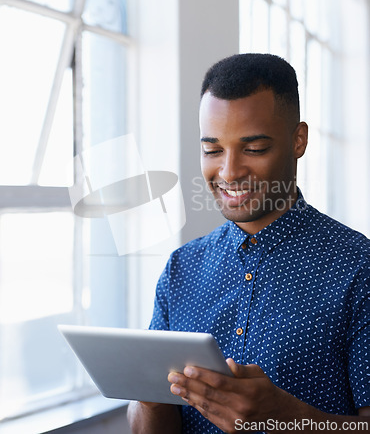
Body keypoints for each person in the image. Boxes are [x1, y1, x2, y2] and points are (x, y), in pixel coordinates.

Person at [128, 54, 370, 433]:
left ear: (298, 140)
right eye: (212, 150)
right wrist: (147, 394)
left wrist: (288, 420)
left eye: (254, 148)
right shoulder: (181, 269)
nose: (228, 172)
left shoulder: (358, 267)